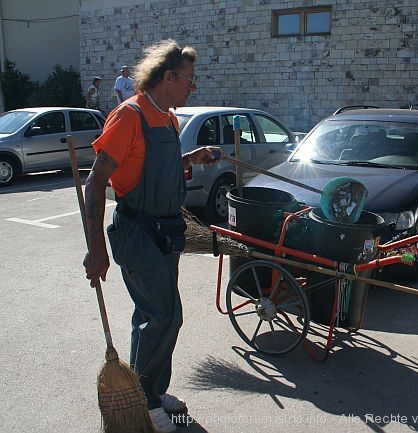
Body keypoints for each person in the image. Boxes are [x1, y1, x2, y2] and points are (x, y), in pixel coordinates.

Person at [82, 39, 221, 433]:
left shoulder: (168, 119)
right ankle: (144, 402)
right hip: (136, 230)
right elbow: (95, 183)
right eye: (189, 81)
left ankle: (153, 392)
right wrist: (96, 250)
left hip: (165, 230)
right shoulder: (129, 116)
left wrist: (192, 158)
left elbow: (153, 164)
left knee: (154, 315)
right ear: (168, 76)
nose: (192, 88)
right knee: (164, 315)